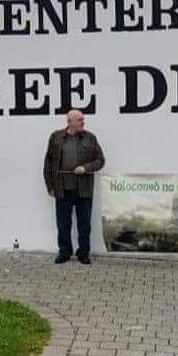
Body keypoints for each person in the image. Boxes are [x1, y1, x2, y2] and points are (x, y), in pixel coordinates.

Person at [43, 110, 105, 265]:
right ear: (70, 122)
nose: (83, 122)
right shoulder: (56, 137)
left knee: (84, 223)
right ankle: (64, 251)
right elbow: (48, 163)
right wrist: (50, 186)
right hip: (62, 188)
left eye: (83, 119)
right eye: (79, 119)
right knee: (63, 223)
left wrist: (85, 168)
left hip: (83, 189)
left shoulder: (90, 138)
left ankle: (83, 253)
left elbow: (100, 160)